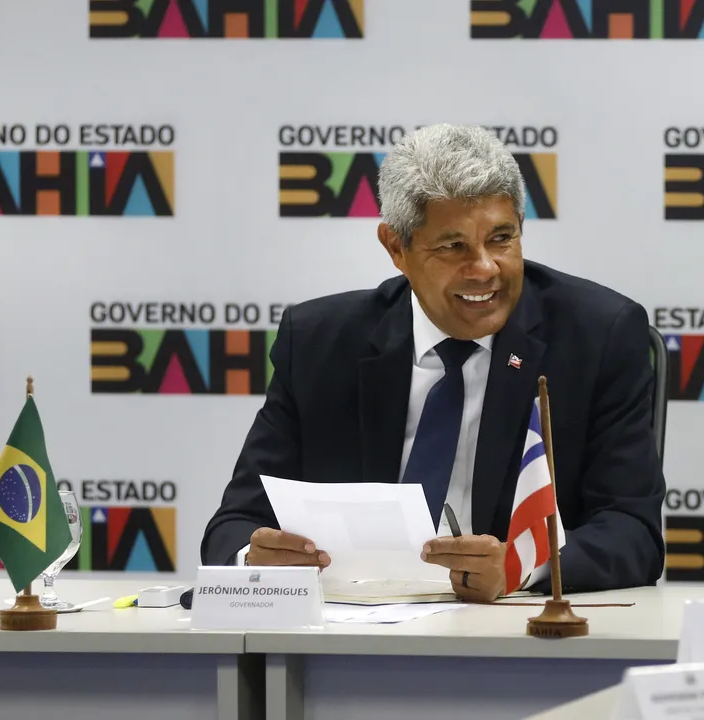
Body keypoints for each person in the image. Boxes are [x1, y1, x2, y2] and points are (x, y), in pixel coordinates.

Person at [200, 123, 666, 602]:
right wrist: (255, 561)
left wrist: (520, 566)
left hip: (514, 633)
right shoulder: (320, 343)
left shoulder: (597, 336)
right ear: (396, 248)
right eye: (453, 246)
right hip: (350, 636)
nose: (484, 267)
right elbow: (234, 526)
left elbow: (634, 532)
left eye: (501, 238)